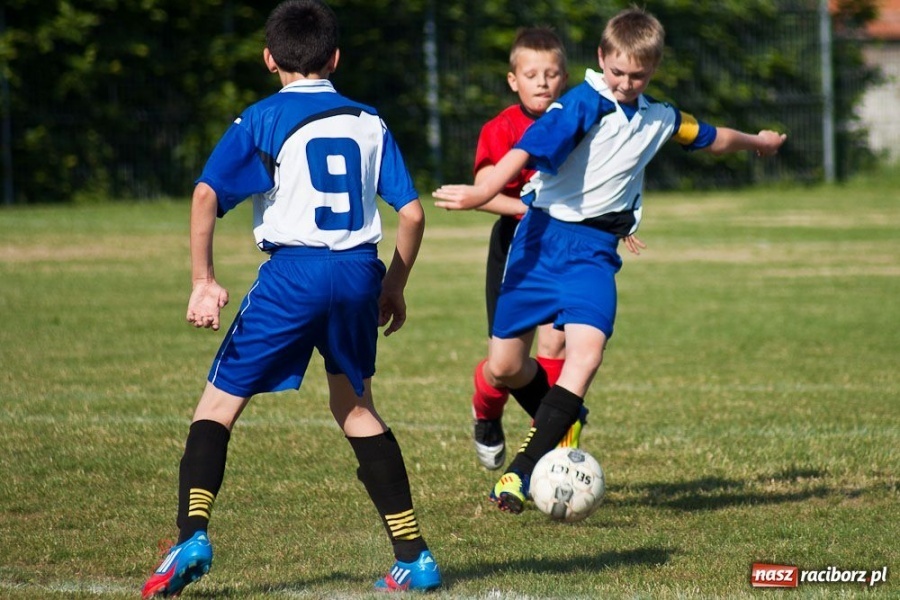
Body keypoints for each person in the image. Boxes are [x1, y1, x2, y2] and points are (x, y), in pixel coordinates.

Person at [141, 1, 441, 596]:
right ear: (335, 58)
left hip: (293, 274)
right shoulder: (369, 120)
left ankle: (191, 534)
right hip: (359, 271)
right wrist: (393, 285)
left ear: (269, 59)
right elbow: (411, 213)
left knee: (217, 407)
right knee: (355, 408)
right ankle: (414, 553)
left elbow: (206, 195)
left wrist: (203, 279)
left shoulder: (261, 119)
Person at [434, 6, 786, 514]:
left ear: (653, 69)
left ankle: (521, 472)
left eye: (637, 74)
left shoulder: (662, 118)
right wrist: (483, 190)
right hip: (539, 240)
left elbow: (712, 137)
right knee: (506, 366)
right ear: (602, 59)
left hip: (594, 253)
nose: (624, 82)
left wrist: (758, 142)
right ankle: (553, 415)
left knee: (587, 355)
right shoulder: (581, 102)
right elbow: (529, 150)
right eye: (617, 71)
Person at [469, 27, 646, 471]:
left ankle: (549, 442)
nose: (542, 82)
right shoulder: (502, 128)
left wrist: (611, 222)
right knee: (504, 366)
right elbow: (483, 192)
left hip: (572, 247)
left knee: (558, 344)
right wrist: (531, 209)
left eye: (551, 73)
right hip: (520, 247)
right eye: (532, 74)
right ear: (514, 81)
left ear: (566, 77)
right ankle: (487, 411)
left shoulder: (586, 116)